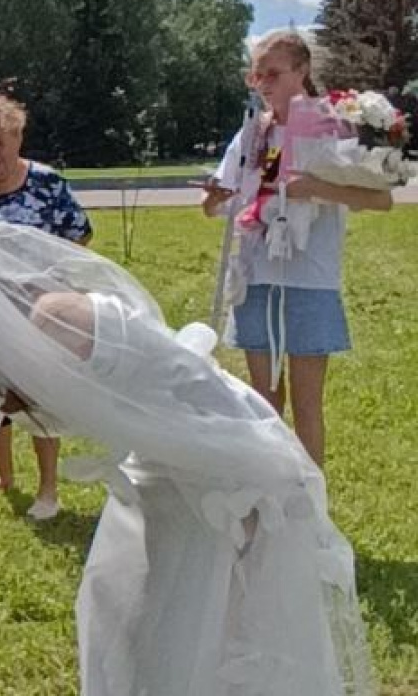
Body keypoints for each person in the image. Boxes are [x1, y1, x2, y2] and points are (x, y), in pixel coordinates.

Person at [0, 216, 373, 696]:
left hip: (225, 465)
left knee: (218, 636)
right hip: (156, 478)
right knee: (124, 620)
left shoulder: (62, 322)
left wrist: (251, 478)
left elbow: (184, 383)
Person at [202, 31, 392, 467]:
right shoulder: (252, 132)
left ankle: (309, 509)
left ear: (303, 70)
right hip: (256, 277)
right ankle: (271, 494)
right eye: (257, 75)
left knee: (307, 406)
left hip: (310, 280)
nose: (264, 83)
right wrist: (213, 198)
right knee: (264, 402)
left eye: (273, 72)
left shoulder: (336, 126)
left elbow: (381, 200)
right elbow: (223, 200)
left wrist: (316, 187)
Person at [0, 94, 93, 520]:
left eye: (1, 144)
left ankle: (48, 490)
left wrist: (40, 268)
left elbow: (80, 234)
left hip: (37, 311)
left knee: (37, 394)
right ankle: (4, 477)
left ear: (18, 139)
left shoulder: (47, 183)